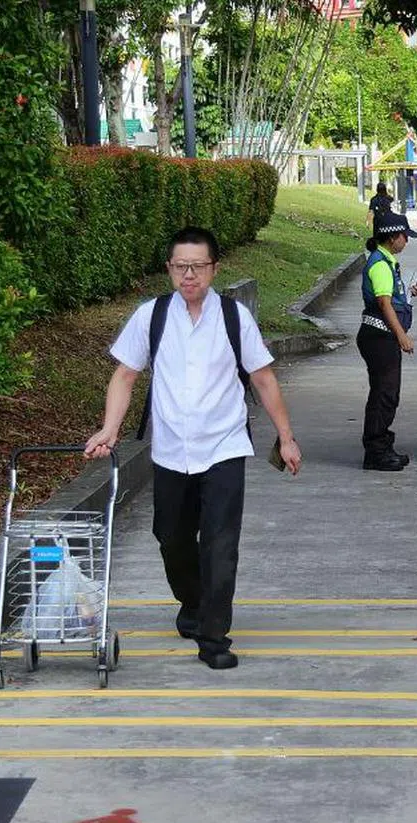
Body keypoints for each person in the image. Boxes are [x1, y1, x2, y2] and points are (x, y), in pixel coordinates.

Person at [84, 225, 302, 670]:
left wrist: (286, 436)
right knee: (172, 539)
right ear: (169, 269)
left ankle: (214, 637)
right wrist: (109, 428)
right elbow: (125, 375)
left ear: (214, 269)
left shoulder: (234, 318)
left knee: (220, 545)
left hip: (223, 447)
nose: (189, 274)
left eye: (198, 266)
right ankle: (194, 601)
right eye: (180, 266)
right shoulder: (152, 316)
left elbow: (262, 378)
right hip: (169, 452)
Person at [357, 209, 417, 471]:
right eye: (405, 235)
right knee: (384, 394)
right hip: (380, 337)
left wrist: (408, 294)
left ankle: (383, 444)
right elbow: (384, 304)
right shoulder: (380, 264)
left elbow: (391, 298)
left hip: (382, 337)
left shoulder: (385, 262)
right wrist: (402, 336)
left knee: (387, 393)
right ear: (393, 237)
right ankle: (376, 452)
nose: (406, 240)